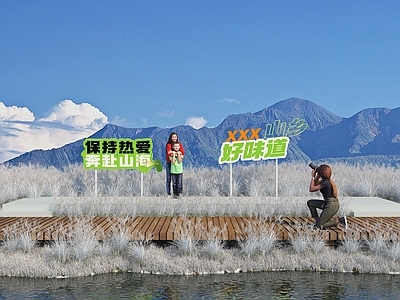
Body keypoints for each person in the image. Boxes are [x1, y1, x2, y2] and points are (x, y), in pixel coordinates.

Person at [307, 164, 347, 230]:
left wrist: (312, 177)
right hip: (329, 203)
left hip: (331, 206)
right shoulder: (326, 181)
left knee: (319, 226)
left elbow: (311, 189)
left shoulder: (325, 183)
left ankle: (339, 221)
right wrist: (317, 175)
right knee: (310, 203)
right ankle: (317, 221)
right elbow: (315, 184)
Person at [165, 132, 185, 197]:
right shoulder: (168, 144)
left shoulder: (179, 144)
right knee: (169, 178)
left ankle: (179, 193)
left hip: (177, 165)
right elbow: (169, 153)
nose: (174, 138)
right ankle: (169, 193)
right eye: (173, 137)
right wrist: (176, 153)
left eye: (175, 137)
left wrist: (174, 153)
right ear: (170, 137)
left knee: (179, 181)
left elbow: (182, 152)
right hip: (169, 162)